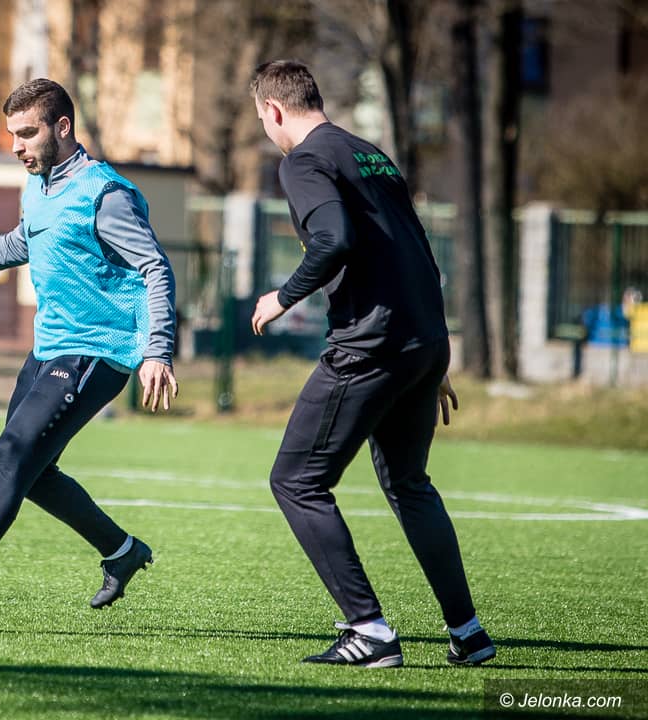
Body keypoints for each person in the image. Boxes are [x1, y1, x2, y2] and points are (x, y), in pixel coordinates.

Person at [0, 78, 178, 624]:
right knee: (33, 471)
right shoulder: (39, 185)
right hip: (49, 348)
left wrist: (157, 351)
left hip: (96, 350)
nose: (16, 146)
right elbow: (22, 242)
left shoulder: (106, 193)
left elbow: (155, 268)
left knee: (12, 454)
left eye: (27, 133)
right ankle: (121, 551)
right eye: (12, 135)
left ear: (62, 127)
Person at [249, 60, 495, 668]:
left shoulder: (303, 160)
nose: (266, 132)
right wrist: (432, 352)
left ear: (273, 110)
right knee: (410, 484)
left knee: (296, 482)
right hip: (420, 340)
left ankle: (370, 631)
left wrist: (283, 297)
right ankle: (468, 633)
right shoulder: (370, 154)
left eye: (262, 120)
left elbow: (334, 239)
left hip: (370, 346)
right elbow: (418, 251)